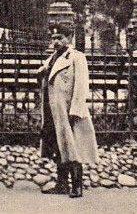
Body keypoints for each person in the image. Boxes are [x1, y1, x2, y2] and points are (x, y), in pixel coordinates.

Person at [38, 22, 98, 197]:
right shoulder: (52, 59)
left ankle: (77, 186)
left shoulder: (76, 57)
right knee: (59, 145)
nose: (56, 41)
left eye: (60, 37)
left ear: (69, 38)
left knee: (73, 147)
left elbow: (81, 86)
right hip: (53, 110)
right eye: (53, 38)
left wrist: (76, 110)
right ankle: (62, 184)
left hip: (69, 111)